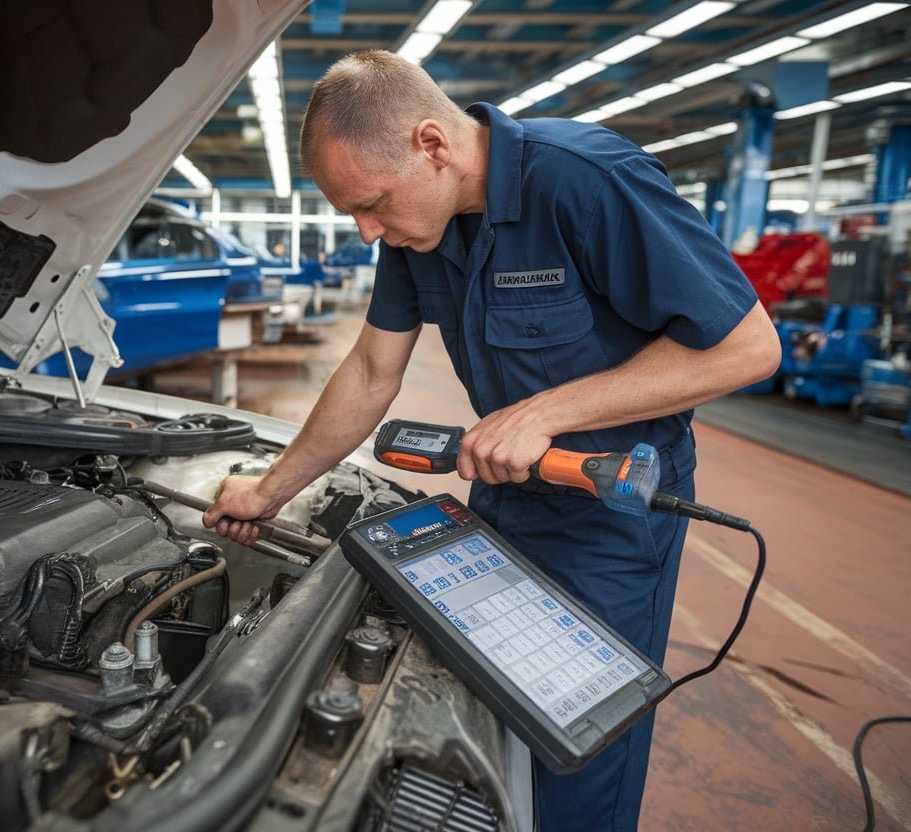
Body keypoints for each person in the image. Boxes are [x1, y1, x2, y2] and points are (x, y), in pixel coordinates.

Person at [202, 50, 781, 832]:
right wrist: (269, 492)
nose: (367, 229)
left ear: (432, 145)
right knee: (489, 719)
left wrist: (547, 411)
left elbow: (749, 347)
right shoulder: (419, 227)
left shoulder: (585, 179)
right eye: (352, 214)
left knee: (576, 747)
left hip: (611, 503)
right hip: (502, 496)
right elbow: (374, 372)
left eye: (371, 203)